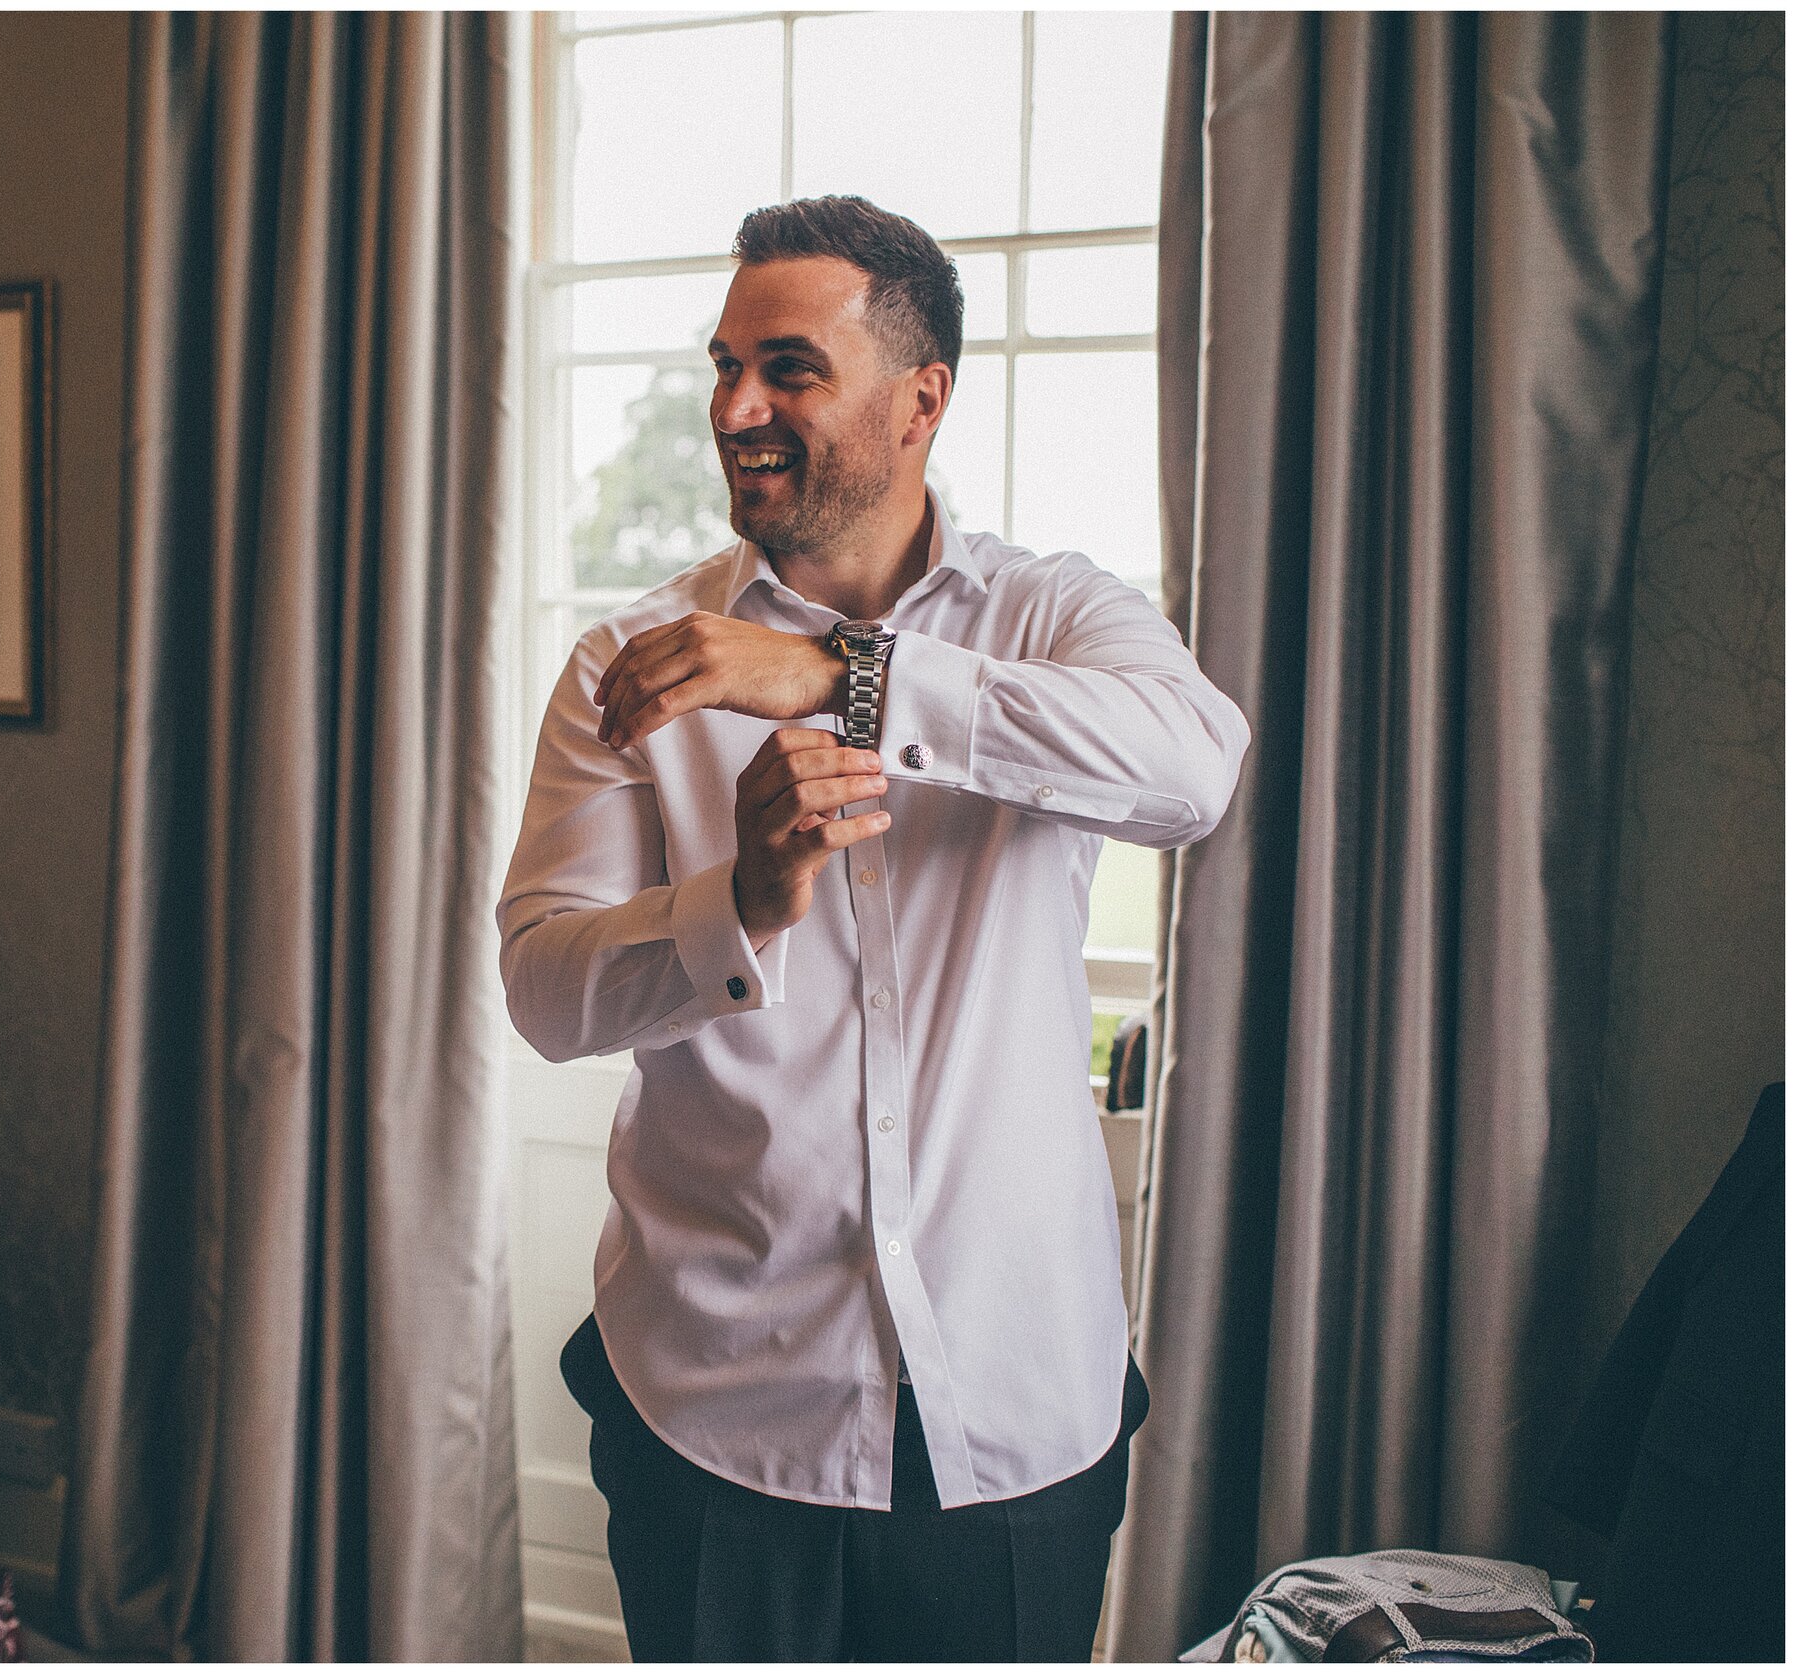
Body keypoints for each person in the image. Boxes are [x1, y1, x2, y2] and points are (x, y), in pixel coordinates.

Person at [497, 197, 1249, 1660]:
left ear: (923, 400)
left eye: (789, 366)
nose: (736, 407)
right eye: (725, 365)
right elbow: (543, 987)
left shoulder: (1054, 616)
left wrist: (845, 681)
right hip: (716, 1412)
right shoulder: (636, 663)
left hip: (1017, 1416)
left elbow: (1194, 768)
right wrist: (741, 902)